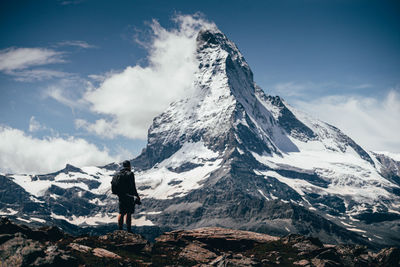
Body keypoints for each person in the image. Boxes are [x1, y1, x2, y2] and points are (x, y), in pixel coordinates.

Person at [116, 160, 140, 233]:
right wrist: (137, 195)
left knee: (121, 212)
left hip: (121, 196)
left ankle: (120, 229)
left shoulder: (119, 174)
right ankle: (129, 230)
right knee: (128, 213)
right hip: (129, 196)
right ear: (129, 166)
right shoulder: (130, 174)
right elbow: (133, 186)